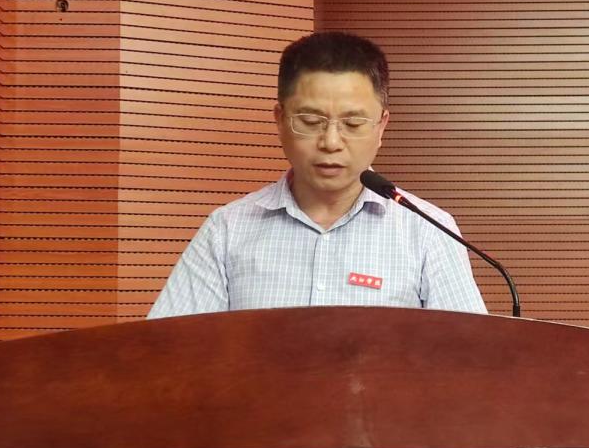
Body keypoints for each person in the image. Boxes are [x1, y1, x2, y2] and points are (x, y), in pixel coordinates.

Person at [147, 31, 487, 318]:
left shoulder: (428, 231)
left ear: (381, 126)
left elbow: (472, 360)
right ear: (280, 120)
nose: (331, 142)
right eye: (310, 122)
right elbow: (168, 355)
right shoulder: (227, 231)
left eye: (353, 123)